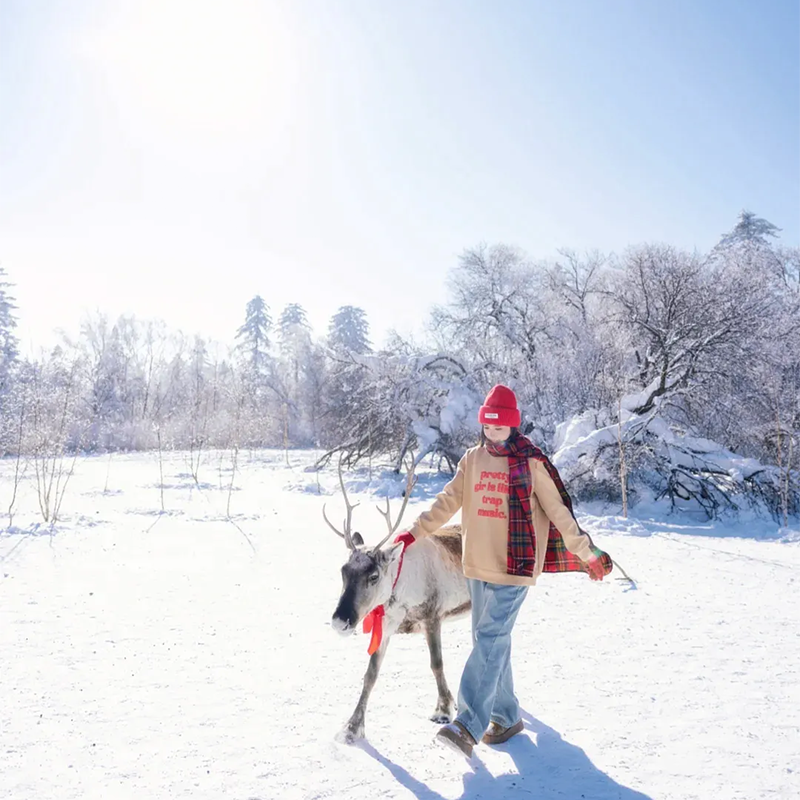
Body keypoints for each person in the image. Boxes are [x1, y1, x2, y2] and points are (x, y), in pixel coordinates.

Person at [400, 384, 611, 759]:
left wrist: (587, 551)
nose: (493, 432)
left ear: (513, 426)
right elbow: (448, 500)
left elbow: (560, 512)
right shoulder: (472, 460)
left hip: (516, 566)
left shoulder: (530, 463)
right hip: (477, 566)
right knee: (493, 641)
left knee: (489, 640)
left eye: (500, 427)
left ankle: (468, 723)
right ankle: (507, 715)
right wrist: (416, 532)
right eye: (488, 426)